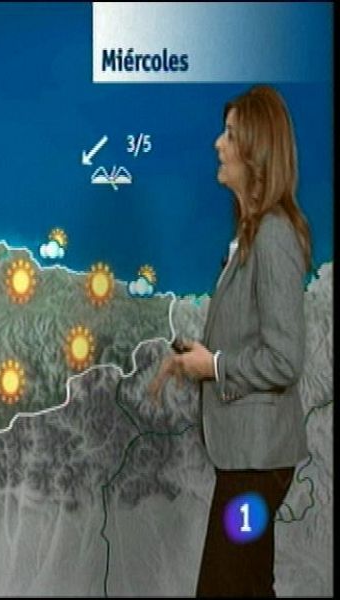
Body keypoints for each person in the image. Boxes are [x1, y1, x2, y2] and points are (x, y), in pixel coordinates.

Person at [148, 85, 312, 597]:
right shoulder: (251, 234)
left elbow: (285, 358)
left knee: (227, 587)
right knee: (247, 585)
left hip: (256, 465)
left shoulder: (274, 236)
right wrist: (190, 359)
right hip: (248, 462)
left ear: (256, 152)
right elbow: (247, 334)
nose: (218, 144)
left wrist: (214, 366)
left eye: (231, 135)